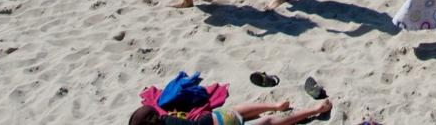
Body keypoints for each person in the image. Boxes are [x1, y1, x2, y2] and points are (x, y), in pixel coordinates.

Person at [129, 99, 333, 125]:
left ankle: (315, 109)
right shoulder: (167, 118)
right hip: (212, 117)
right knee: (236, 110)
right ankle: (275, 104)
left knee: (269, 123)